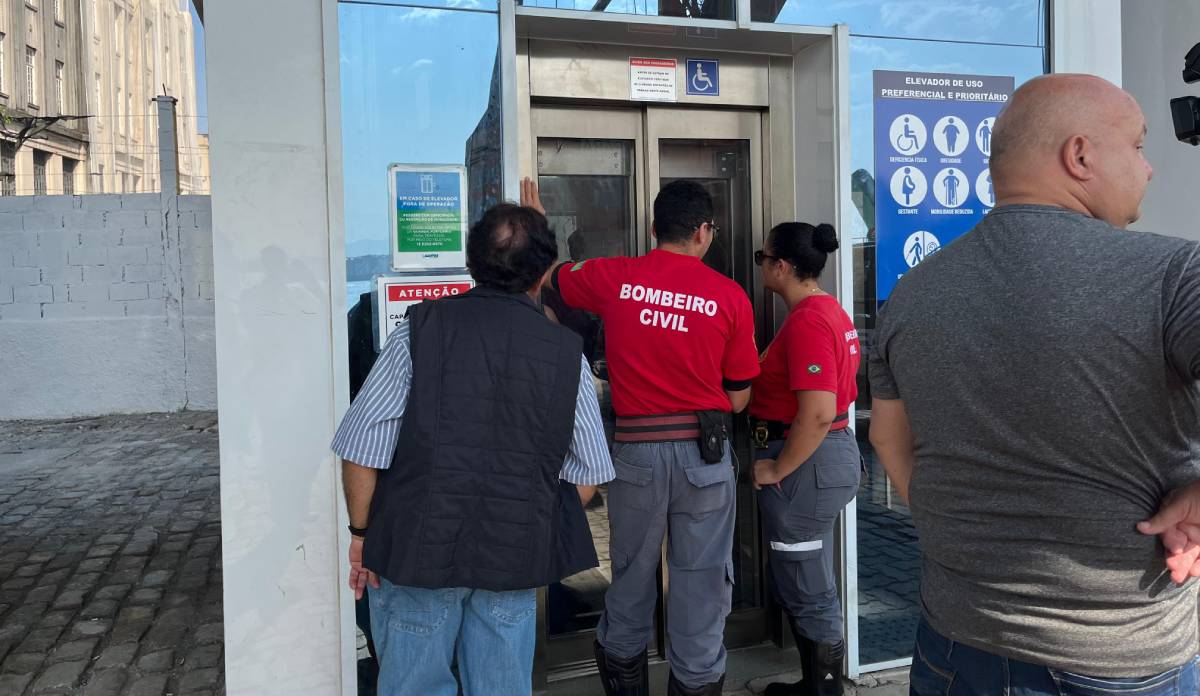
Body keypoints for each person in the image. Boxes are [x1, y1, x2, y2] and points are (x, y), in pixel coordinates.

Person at [868, 73, 1200, 695]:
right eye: (1137, 145)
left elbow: (888, 440)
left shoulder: (913, 293)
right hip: (1117, 661)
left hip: (951, 648)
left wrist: (961, 530)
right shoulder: (1174, 274)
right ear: (1079, 156)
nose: (1149, 169)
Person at [331, 202, 615, 696]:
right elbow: (588, 473)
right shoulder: (565, 353)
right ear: (544, 273)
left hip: (415, 554)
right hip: (512, 555)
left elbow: (360, 446)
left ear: (472, 262)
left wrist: (362, 534)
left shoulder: (419, 332)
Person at [523, 177, 760, 696]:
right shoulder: (730, 297)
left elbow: (548, 280)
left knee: (629, 576)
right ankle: (696, 678)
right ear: (703, 232)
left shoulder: (616, 277)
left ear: (654, 229)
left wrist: (537, 226)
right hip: (704, 456)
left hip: (635, 456)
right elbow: (740, 398)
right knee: (700, 582)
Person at [747, 223, 860, 696]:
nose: (761, 267)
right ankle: (812, 685)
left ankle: (824, 691)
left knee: (807, 586)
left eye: (762, 258)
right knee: (806, 578)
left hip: (805, 463)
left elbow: (816, 412)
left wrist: (777, 468)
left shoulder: (811, 319)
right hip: (823, 459)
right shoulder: (824, 310)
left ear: (782, 267)